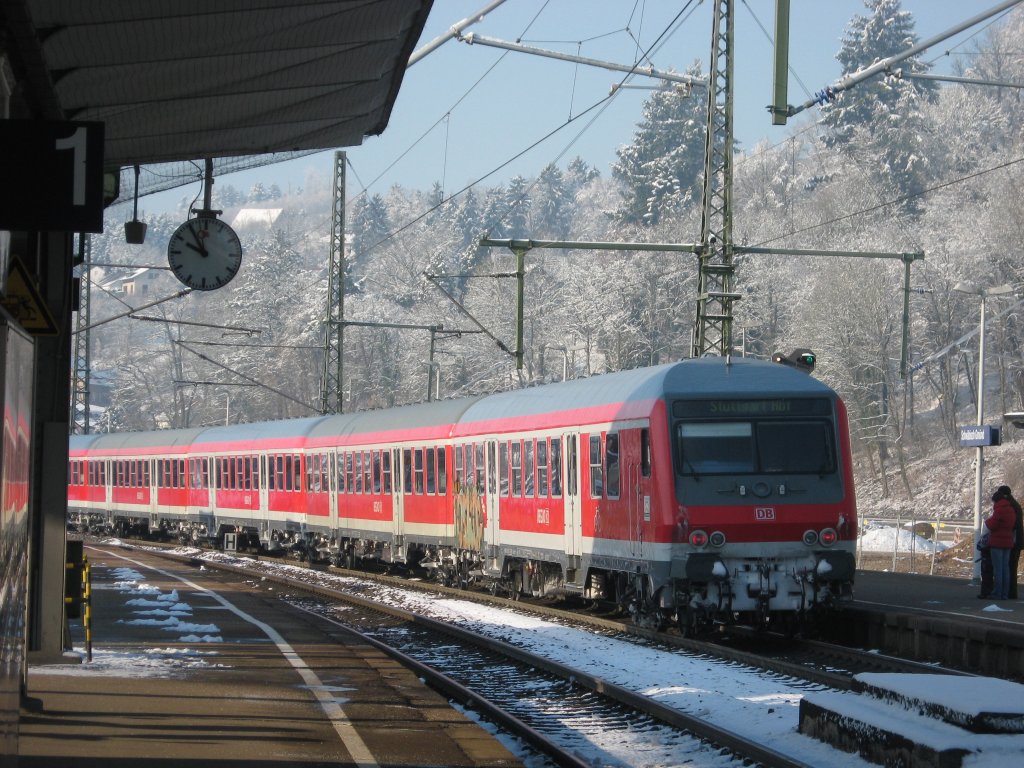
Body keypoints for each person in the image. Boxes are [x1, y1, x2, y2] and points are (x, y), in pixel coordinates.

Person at [984, 487, 1017, 600]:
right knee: (1005, 568)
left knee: (997, 569)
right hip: (1008, 541)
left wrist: (987, 521)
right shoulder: (1011, 509)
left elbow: (992, 524)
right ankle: (1004, 593)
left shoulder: (999, 509)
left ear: (996, 500)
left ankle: (997, 593)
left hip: (997, 542)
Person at [999, 485, 1024, 600]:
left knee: (1010, 567)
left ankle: (1010, 592)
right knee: (1012, 567)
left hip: (1012, 540)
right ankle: (1011, 592)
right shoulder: (1015, 505)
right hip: (1017, 540)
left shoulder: (1010, 506)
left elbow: (1011, 524)